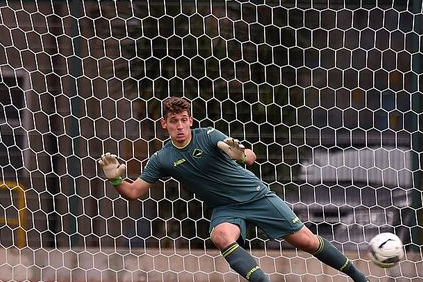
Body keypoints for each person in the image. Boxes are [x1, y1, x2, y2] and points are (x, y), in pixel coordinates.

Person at [98, 96, 369, 282]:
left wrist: (240, 154)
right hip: (226, 208)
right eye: (173, 121)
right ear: (164, 125)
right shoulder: (162, 158)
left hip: (256, 196)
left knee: (308, 242)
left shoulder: (210, 136)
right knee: (221, 236)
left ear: (190, 121)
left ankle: (359, 277)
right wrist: (115, 180)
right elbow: (134, 192)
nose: (179, 126)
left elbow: (250, 157)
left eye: (183, 119)